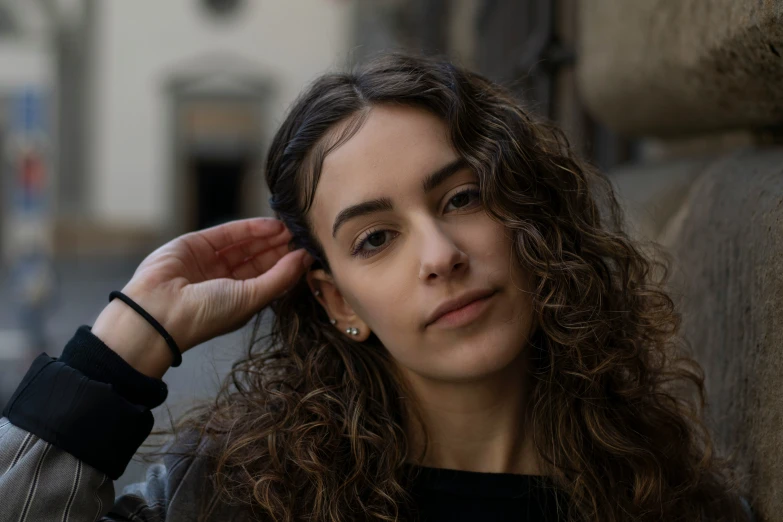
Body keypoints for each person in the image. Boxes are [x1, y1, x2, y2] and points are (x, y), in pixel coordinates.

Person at [0, 52, 757, 522]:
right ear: (337, 301)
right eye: (375, 238)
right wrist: (126, 344)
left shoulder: (669, 502)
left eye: (461, 198)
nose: (439, 255)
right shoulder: (232, 498)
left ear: (527, 214)